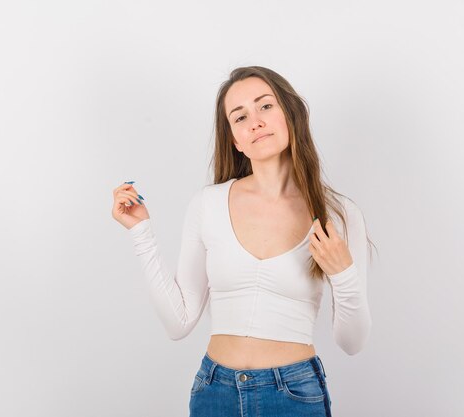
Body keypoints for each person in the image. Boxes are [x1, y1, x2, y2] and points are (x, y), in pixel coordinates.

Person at [111, 66, 374, 417]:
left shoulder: (339, 215)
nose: (255, 121)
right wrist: (140, 232)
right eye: (240, 117)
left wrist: (343, 275)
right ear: (235, 139)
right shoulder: (208, 204)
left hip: (294, 395)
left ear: (291, 114)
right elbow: (179, 323)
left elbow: (352, 343)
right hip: (214, 392)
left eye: (265, 106)